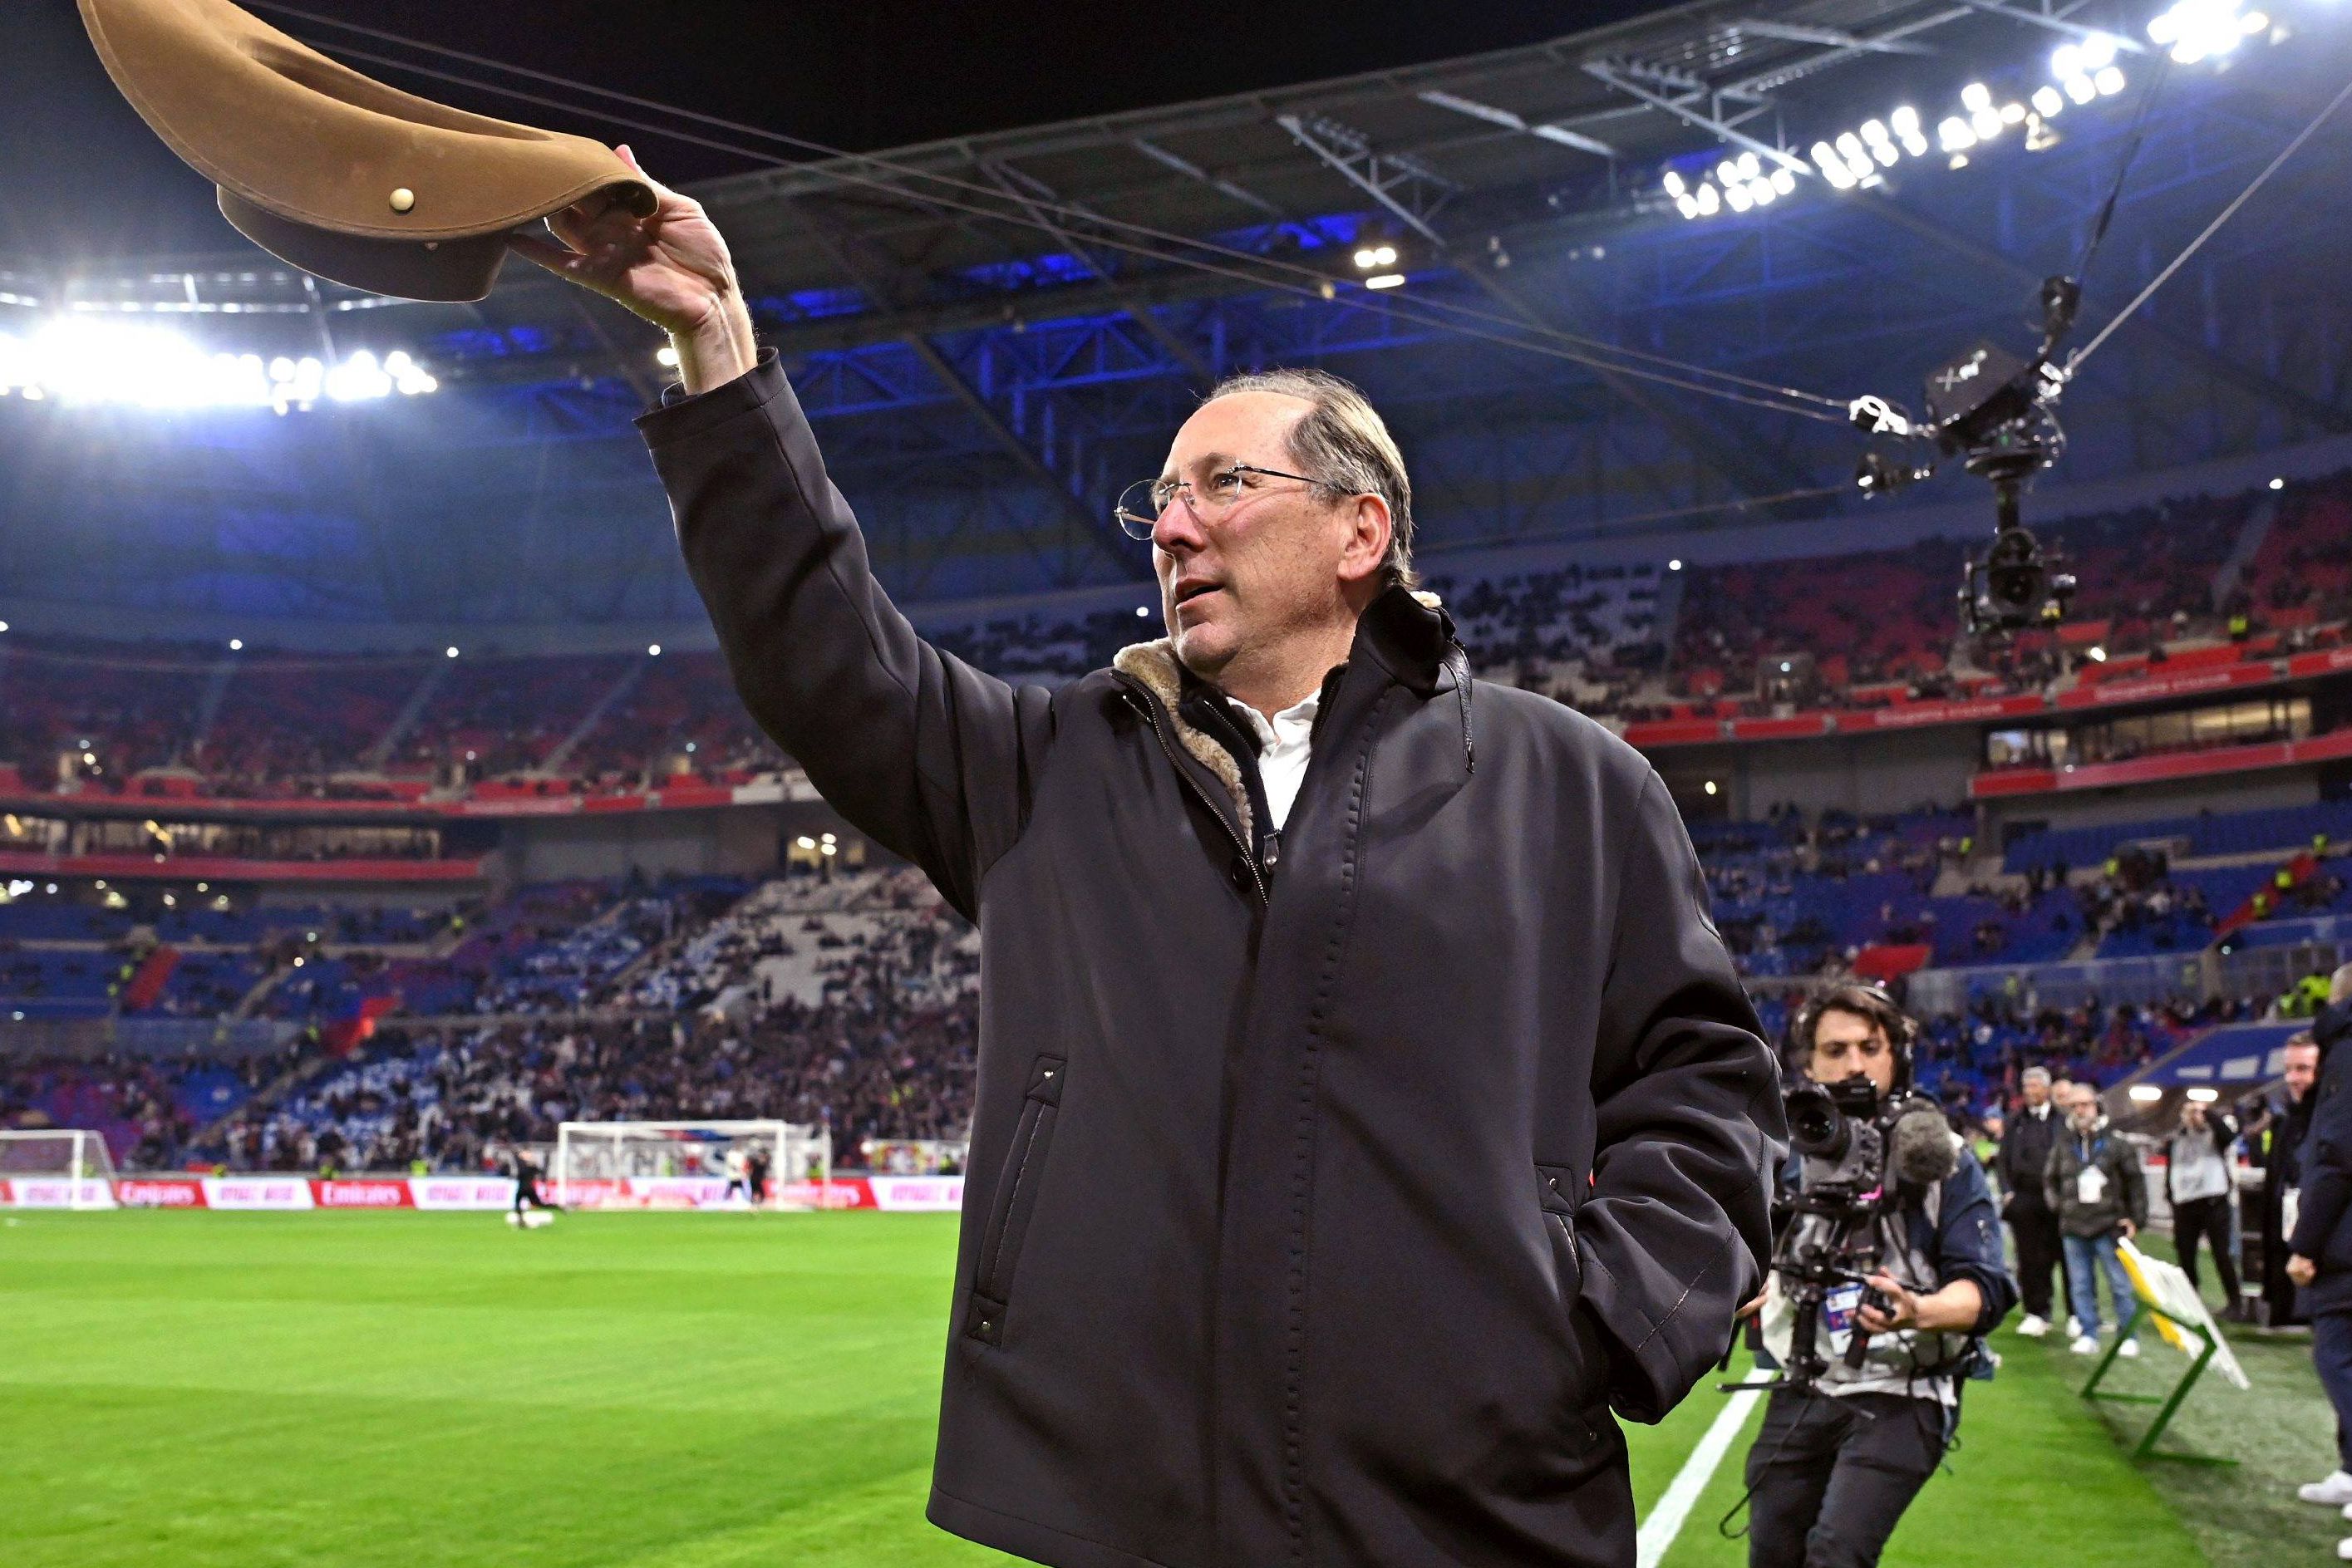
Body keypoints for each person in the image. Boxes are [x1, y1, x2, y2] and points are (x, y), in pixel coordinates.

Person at [518, 155, 1788, 1566]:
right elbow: (825, 654)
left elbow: (1707, 1080)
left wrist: (1602, 1320)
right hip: (1135, 1512)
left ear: (1361, 528)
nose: (1172, 524)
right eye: (1161, 502)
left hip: (1483, 1502)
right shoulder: (1046, 767)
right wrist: (719, 345)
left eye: (1223, 485)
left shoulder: (1568, 780)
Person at [1743, 983, 2015, 1568]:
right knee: (1771, 1551)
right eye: (1835, 1050)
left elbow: (1985, 1286)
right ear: (1809, 1064)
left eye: (1870, 1046)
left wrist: (1920, 1309)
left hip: (1905, 1386)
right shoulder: (1787, 1154)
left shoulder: (1943, 1158)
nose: (1855, 1063)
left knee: (1837, 1553)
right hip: (1808, 1379)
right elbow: (1747, 1253)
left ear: (1898, 1057)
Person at [2280, 964, 2352, 1521]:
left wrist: (2303, 1243)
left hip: (2344, 1245)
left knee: (2337, 1358)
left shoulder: (2346, 1055)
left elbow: (2336, 1159)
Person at [2046, 1081, 2147, 1356]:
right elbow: (2050, 1179)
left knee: (2120, 1284)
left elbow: (2135, 1183)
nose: (2080, 1110)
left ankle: (2129, 1335)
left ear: (2097, 1106)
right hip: (2073, 1224)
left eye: (2085, 1104)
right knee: (2080, 1284)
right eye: (2075, 1106)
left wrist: (2135, 1218)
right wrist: (2060, 1207)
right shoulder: (2064, 1144)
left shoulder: (2116, 1143)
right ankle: (2088, 1332)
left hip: (2109, 1223)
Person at [2254, 1034, 2324, 1326]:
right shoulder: (2286, 1122)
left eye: (2303, 1069)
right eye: (2289, 1069)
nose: (2293, 1078)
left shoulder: (2334, 1121)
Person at [1997, 1065, 2068, 1337]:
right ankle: (2035, 1311)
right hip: (2024, 1198)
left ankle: (2073, 1313)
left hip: (2056, 1199)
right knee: (2028, 1259)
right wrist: (2007, 1192)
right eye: (2026, 1087)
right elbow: (2003, 1159)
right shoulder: (2015, 1121)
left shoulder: (2062, 1120)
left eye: (2035, 1087)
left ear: (2046, 1089)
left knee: (2060, 1255)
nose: (2029, 1092)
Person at [2163, 1098, 2246, 1322]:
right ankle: (2190, 1300)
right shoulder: (2178, 1138)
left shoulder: (2216, 1135)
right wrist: (2170, 1196)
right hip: (2185, 1203)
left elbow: (2230, 1137)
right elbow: (2171, 1168)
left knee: (2222, 1254)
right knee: (2185, 1255)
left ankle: (2235, 1303)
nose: (2194, 1117)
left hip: (2213, 1201)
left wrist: (2208, 1114)